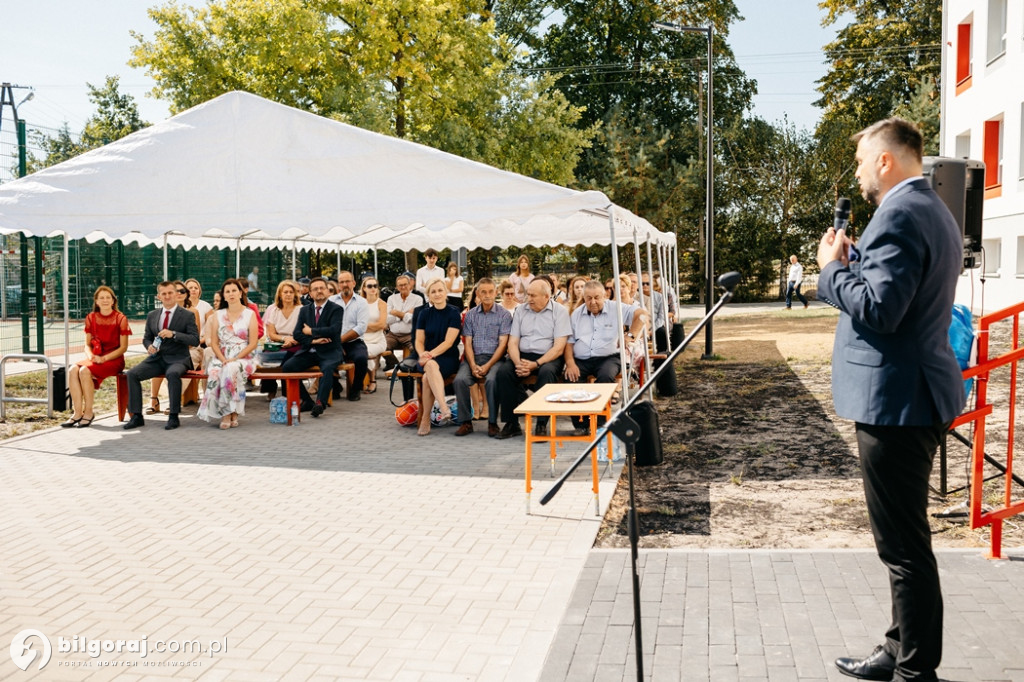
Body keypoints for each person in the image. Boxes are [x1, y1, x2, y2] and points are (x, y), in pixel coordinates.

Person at [817, 118, 966, 682]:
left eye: (860, 163)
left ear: (886, 160)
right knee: (906, 541)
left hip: (897, 401)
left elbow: (881, 311)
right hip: (913, 394)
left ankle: (914, 671)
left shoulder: (899, 213)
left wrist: (831, 270)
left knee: (903, 549)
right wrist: (856, 261)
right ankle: (899, 647)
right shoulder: (932, 209)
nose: (858, 174)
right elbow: (895, 294)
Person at [563, 280, 648, 433]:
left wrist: (630, 335)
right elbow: (569, 342)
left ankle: (600, 423)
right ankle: (581, 425)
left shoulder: (616, 308)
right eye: (589, 298)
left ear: (604, 296)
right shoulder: (576, 314)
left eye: (597, 297)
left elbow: (642, 315)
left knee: (605, 376)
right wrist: (570, 363)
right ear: (584, 297)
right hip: (582, 358)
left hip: (608, 357)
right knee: (571, 378)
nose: (593, 302)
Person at [495, 279, 571, 439]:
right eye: (527, 294)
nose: (528, 299)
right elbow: (513, 342)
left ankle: (542, 424)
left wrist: (536, 364)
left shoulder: (560, 311)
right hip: (522, 356)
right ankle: (511, 424)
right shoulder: (521, 310)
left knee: (547, 373)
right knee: (504, 373)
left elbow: (559, 347)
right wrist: (518, 364)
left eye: (533, 295)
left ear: (546, 296)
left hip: (549, 356)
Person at [123, 281, 200, 431]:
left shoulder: (187, 315)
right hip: (156, 358)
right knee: (132, 374)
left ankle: (173, 416)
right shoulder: (152, 315)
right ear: (159, 296)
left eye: (170, 293)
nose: (167, 296)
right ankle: (136, 416)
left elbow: (194, 340)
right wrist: (149, 346)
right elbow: (146, 338)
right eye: (163, 294)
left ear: (176, 294)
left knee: (172, 374)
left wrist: (174, 334)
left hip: (178, 358)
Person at [62, 286, 131, 428]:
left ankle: (88, 412)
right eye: (102, 298)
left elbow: (123, 348)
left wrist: (104, 359)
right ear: (97, 301)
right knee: (72, 370)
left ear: (113, 301)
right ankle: (77, 413)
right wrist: (91, 356)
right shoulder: (91, 318)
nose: (105, 300)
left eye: (108, 297)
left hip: (114, 359)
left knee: (84, 371)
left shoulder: (121, 319)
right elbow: (87, 345)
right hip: (95, 358)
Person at [452, 278, 512, 438]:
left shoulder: (504, 315)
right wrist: (472, 365)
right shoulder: (470, 315)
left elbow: (503, 345)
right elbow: (468, 343)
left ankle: (492, 423)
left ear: (496, 293)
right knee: (460, 380)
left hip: (495, 359)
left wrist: (487, 366)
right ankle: (466, 422)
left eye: (490, 291)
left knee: (492, 380)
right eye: (483, 292)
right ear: (477, 293)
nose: (487, 295)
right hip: (473, 358)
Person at [198, 279, 259, 429]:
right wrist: (223, 358)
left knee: (231, 369)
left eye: (234, 290)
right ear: (224, 296)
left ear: (240, 293)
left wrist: (235, 358)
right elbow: (214, 342)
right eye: (227, 291)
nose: (231, 294)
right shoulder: (217, 315)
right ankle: (232, 412)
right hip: (222, 354)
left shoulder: (249, 314)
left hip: (244, 356)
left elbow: (253, 343)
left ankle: (227, 413)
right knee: (215, 370)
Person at [281, 277, 344, 417]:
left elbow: (334, 330)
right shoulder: (304, 310)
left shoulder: (336, 309)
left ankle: (320, 403)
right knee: (288, 367)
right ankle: (308, 401)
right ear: (310, 293)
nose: (319, 291)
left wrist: (311, 332)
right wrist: (313, 341)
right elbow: (297, 334)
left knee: (327, 369)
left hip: (330, 351)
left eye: (322, 288)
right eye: (315, 289)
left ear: (328, 291)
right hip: (309, 350)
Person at [413, 279, 463, 436]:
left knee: (428, 376)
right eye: (433, 291)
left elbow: (449, 342)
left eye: (440, 290)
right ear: (428, 295)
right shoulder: (424, 313)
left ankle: (426, 419)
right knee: (430, 368)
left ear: (445, 292)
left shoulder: (454, 313)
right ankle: (443, 407)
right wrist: (422, 354)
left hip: (447, 357)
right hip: (426, 357)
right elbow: (419, 341)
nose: (437, 294)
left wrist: (430, 354)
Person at [149, 281, 201, 414]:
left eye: (182, 291)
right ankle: (153, 400)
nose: (178, 293)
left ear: (186, 295)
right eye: (175, 291)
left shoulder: (192, 312)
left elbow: (195, 338)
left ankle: (174, 401)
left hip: (189, 349)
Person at [328, 270, 369, 402]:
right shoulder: (331, 301)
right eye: (342, 282)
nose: (345, 284)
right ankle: (335, 386)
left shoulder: (362, 302)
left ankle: (356, 388)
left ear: (353, 283)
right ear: (338, 285)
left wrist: (341, 341)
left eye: (347, 281)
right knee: (325, 357)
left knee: (362, 358)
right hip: (333, 341)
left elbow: (361, 327)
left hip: (354, 341)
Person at [260, 280, 301, 401]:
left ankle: (287, 393)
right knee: (266, 358)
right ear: (280, 294)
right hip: (279, 341)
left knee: (287, 361)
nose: (288, 294)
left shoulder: (301, 310)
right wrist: (284, 339)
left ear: (294, 295)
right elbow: (271, 333)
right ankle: (270, 390)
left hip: (296, 342)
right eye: (285, 292)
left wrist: (293, 340)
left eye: (291, 292)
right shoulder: (274, 310)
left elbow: (303, 330)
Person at [384, 274, 423, 370]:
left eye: (405, 284)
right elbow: (387, 319)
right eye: (400, 285)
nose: (403, 287)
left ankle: (408, 367)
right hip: (393, 334)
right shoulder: (391, 299)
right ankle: (395, 366)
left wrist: (396, 313)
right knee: (382, 347)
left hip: (410, 334)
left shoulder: (418, 299)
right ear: (397, 287)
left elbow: (414, 318)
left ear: (410, 285)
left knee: (417, 349)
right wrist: (404, 314)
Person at [360, 276, 388, 394]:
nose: (373, 288)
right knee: (360, 351)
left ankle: (372, 380)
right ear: (364, 288)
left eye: (375, 286)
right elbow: (354, 324)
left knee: (366, 352)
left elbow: (382, 324)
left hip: (378, 340)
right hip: (362, 339)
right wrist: (371, 326)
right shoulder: (360, 303)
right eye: (369, 286)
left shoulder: (381, 304)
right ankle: (361, 381)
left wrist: (364, 326)